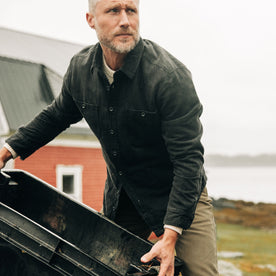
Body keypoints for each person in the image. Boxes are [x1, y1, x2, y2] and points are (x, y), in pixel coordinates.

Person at [0, 0, 218, 275]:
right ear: (91, 19)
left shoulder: (169, 77)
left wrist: (171, 235)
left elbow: (188, 162)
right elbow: (56, 116)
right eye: (114, 11)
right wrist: (6, 151)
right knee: (101, 269)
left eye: (132, 10)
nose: (125, 20)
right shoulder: (80, 70)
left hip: (178, 194)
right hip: (124, 195)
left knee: (202, 274)